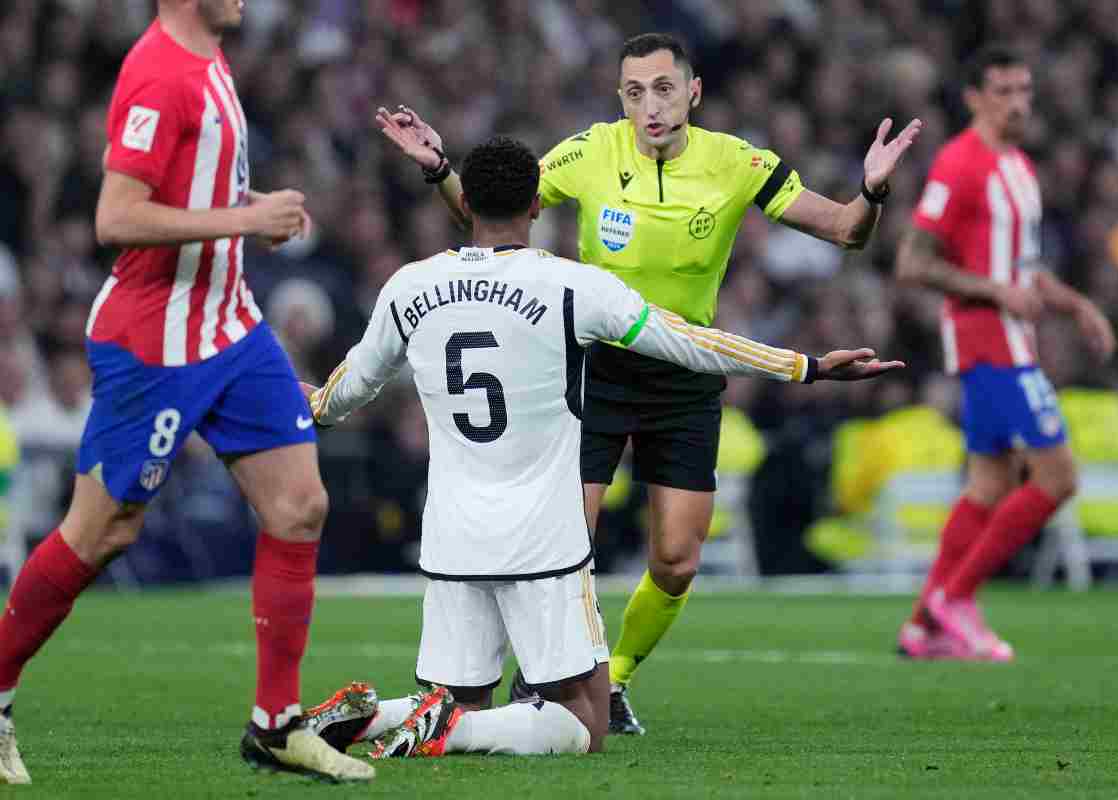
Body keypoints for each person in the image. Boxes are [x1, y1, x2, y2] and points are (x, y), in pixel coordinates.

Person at [376, 32, 922, 733]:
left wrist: (873, 191)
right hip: (594, 369)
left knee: (677, 558)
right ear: (620, 99)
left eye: (664, 89)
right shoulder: (588, 152)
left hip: (684, 368)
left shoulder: (739, 163)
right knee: (567, 540)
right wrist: (441, 172)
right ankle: (537, 682)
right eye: (635, 92)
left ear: (693, 91)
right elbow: (496, 216)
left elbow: (848, 232)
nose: (650, 106)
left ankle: (617, 679)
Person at [0, 0, 374, 785]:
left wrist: (245, 225)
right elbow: (116, 216)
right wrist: (245, 217)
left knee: (300, 506)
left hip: (231, 327)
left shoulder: (208, 55)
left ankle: (275, 726)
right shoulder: (158, 73)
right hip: (155, 342)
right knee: (101, 533)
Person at [894, 44, 1115, 661]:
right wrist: (995, 292)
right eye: (1003, 91)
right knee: (1059, 476)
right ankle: (957, 600)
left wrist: (1078, 307)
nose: (1017, 103)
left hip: (1013, 340)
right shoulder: (957, 163)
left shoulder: (1019, 166)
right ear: (973, 97)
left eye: (1024, 90)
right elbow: (913, 262)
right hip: (986, 343)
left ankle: (921, 624)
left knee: (989, 484)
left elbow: (1024, 271)